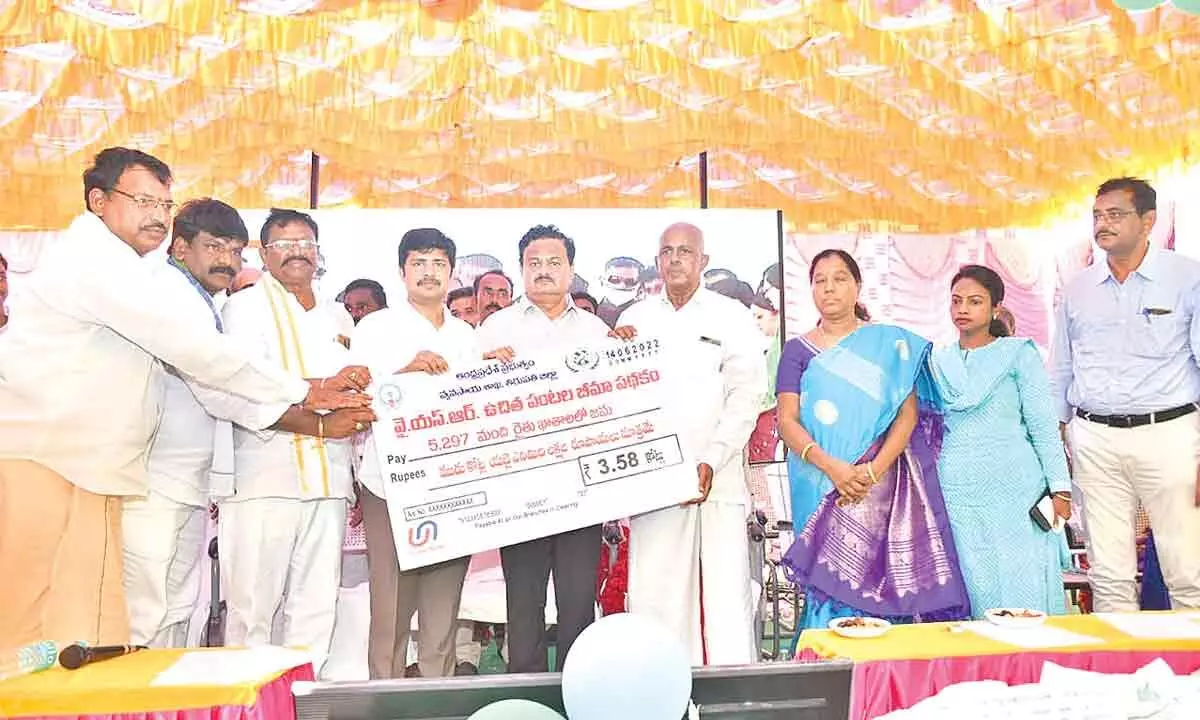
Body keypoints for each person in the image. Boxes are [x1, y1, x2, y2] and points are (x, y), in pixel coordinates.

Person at [0, 147, 365, 650]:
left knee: (100, 616)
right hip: (48, 456)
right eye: (143, 200)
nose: (157, 215)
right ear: (99, 200)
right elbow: (199, 355)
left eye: (165, 205)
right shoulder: (98, 265)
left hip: (94, 465)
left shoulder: (136, 271)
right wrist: (307, 392)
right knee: (36, 613)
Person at [775, 249, 970, 632]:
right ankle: (830, 674)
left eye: (840, 278)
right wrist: (833, 468)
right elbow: (787, 420)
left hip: (878, 487)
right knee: (828, 585)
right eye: (820, 280)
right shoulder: (797, 351)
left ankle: (884, 682)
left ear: (858, 285)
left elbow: (907, 415)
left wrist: (871, 472)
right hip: (819, 482)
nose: (829, 288)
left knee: (880, 588)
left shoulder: (889, 347)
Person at [218, 209, 368, 677]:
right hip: (265, 478)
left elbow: (354, 392)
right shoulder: (243, 309)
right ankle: (247, 706)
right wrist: (324, 407)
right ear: (263, 254)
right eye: (283, 244)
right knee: (252, 608)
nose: (296, 252)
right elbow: (245, 387)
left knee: (317, 606)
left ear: (318, 252)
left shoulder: (336, 313)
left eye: (305, 242)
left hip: (329, 480)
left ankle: (304, 701)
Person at [1052, 176, 1200, 612]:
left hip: (1169, 433)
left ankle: (1190, 677)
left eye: (1115, 214)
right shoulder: (1078, 287)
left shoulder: (1185, 277)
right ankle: (1121, 676)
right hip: (1094, 437)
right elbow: (1060, 368)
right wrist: (1059, 439)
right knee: (1108, 575)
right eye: (1097, 215)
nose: (1103, 224)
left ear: (1148, 220)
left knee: (1187, 570)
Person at [621, 222, 766, 665]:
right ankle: (657, 698)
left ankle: (735, 704)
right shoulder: (634, 320)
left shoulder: (731, 316)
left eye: (686, 251)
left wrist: (712, 459)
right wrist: (610, 358)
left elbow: (748, 395)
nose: (675, 259)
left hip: (716, 479)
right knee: (654, 598)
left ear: (703, 261)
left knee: (727, 603)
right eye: (667, 251)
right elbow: (621, 400)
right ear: (657, 261)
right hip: (656, 482)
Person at [477, 225, 611, 673]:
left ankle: (579, 690)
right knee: (523, 602)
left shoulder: (597, 331)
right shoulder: (495, 330)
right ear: (521, 270)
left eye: (554, 262)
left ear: (571, 270)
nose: (544, 271)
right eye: (534, 263)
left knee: (578, 602)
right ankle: (525, 692)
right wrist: (484, 374)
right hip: (519, 489)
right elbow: (470, 403)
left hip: (581, 487)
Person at [351, 228, 477, 679]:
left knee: (443, 608)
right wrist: (405, 370)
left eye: (438, 263)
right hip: (390, 483)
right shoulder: (375, 327)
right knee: (391, 605)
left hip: (452, 485)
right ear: (402, 271)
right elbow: (359, 393)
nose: (429, 273)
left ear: (452, 272)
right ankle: (382, 697)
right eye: (419, 263)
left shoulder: (467, 335)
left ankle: (437, 696)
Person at [930, 264, 1071, 617]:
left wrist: (1060, 489)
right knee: (972, 579)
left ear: (995, 308)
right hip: (957, 488)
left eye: (975, 301)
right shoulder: (937, 361)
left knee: (1020, 579)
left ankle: (1030, 666)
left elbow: (1042, 426)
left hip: (1015, 489)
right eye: (957, 301)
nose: (963, 309)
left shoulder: (1018, 354)